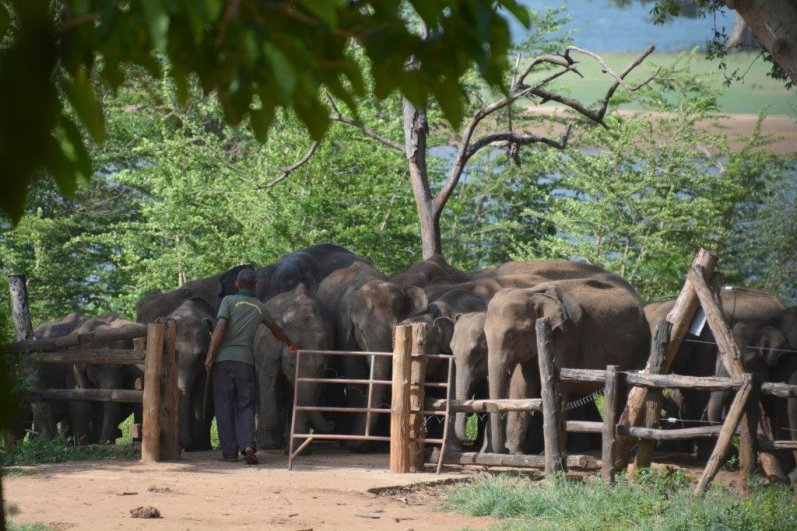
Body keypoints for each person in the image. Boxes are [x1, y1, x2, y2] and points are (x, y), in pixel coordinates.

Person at [204, 268, 297, 464]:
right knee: (246, 405)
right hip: (245, 362)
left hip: (224, 362)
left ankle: (229, 453)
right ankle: (247, 444)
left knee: (224, 406)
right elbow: (276, 330)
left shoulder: (228, 301)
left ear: (237, 284)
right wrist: (290, 342)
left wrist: (210, 355)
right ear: (256, 285)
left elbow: (220, 328)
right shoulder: (260, 307)